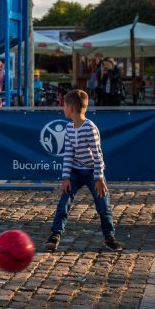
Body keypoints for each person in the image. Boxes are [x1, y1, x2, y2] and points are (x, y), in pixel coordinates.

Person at [45, 89, 122, 253]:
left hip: (93, 172)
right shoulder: (69, 128)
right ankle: (55, 234)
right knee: (64, 202)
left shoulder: (90, 128)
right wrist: (66, 177)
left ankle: (109, 236)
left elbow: (97, 154)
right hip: (75, 172)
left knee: (103, 205)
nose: (63, 108)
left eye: (64, 106)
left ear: (72, 109)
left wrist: (99, 178)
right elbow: (68, 154)